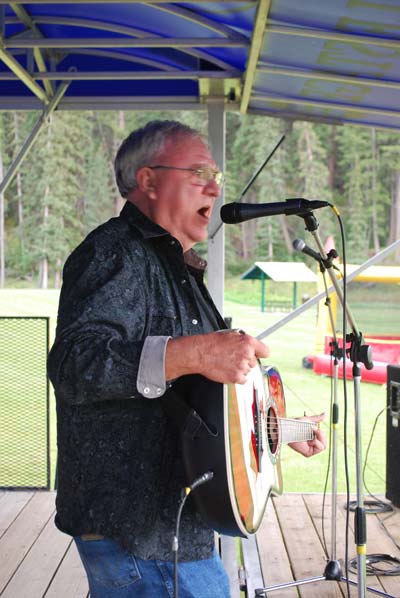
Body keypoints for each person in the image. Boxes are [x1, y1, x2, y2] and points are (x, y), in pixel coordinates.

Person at [48, 120, 326, 598]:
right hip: (139, 532)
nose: (216, 188)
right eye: (198, 172)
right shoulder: (114, 253)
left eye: (217, 176)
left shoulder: (176, 268)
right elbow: (75, 364)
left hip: (165, 530)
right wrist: (196, 351)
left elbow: (196, 396)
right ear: (148, 180)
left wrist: (275, 427)